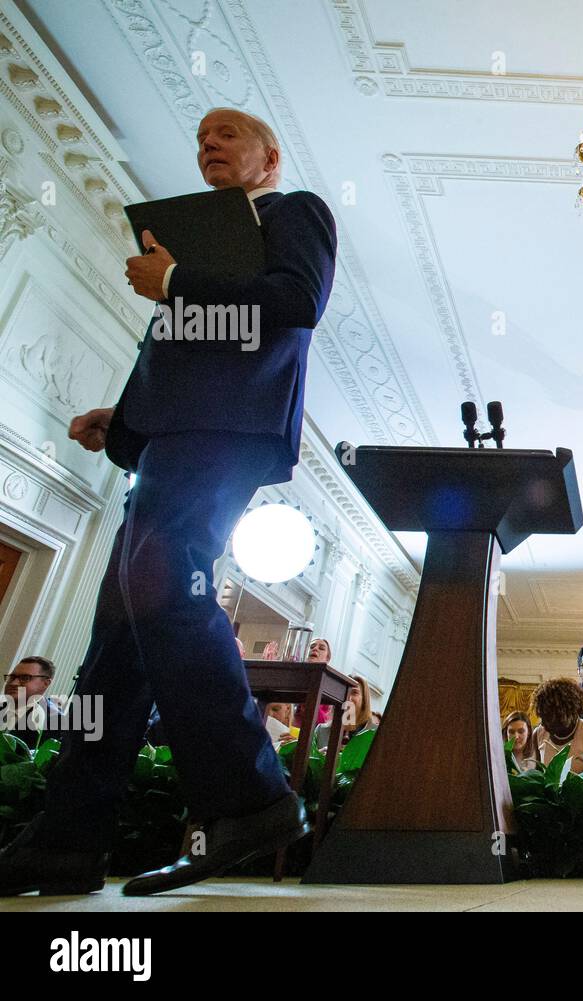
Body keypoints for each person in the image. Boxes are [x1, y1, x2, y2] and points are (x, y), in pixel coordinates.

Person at [0, 107, 338, 898]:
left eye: (226, 134)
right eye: (199, 139)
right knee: (114, 644)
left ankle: (251, 797)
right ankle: (66, 840)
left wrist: (177, 282)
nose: (207, 145)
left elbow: (297, 302)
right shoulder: (194, 244)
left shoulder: (296, 213)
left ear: (270, 155)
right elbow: (181, 352)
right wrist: (122, 423)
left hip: (226, 430)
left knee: (162, 578)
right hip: (170, 437)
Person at [532, 678, 583, 774]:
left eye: (548, 717)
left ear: (565, 714)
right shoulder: (539, 733)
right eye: (542, 716)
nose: (542, 723)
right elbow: (538, 775)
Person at [1, 657, 63, 749]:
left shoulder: (56, 722)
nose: (14, 683)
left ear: (45, 683)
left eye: (25, 678)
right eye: (12, 677)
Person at [314, 675, 376, 750]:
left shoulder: (374, 734)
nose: (348, 698)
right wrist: (319, 756)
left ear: (364, 700)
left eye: (355, 693)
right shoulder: (321, 730)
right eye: (345, 691)